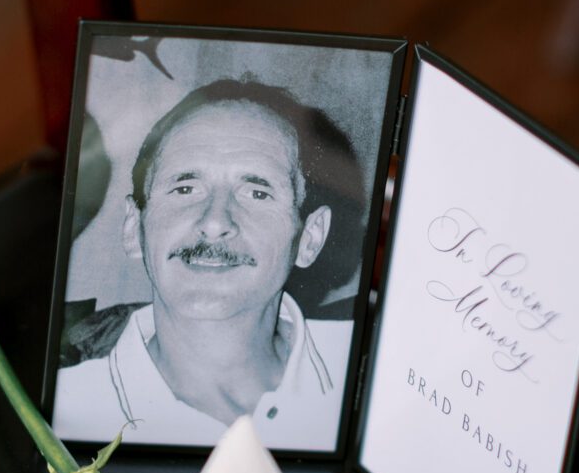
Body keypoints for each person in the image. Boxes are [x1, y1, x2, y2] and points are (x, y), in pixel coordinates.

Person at [53, 77, 358, 449]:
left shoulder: (371, 381)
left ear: (309, 238)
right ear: (134, 227)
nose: (215, 223)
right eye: (185, 188)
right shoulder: (61, 415)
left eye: (257, 192)